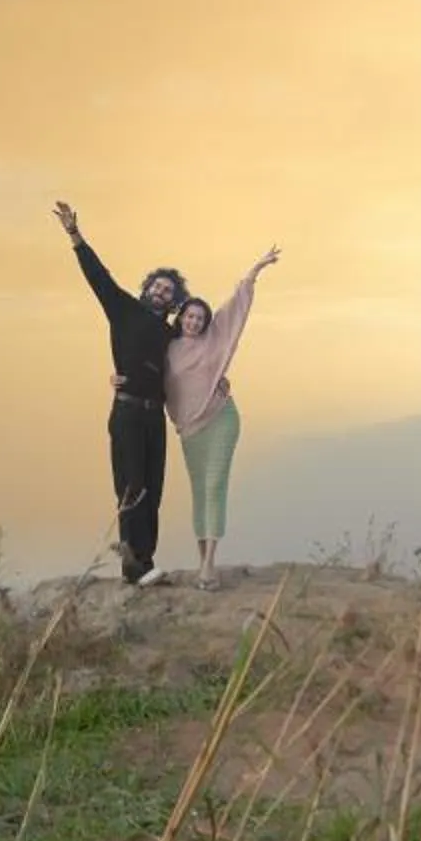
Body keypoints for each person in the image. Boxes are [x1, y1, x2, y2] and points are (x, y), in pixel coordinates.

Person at [53, 200, 182, 585]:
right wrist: (75, 235)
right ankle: (131, 565)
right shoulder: (124, 310)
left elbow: (199, 359)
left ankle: (146, 560)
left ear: (173, 301)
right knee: (131, 486)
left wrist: (220, 383)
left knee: (154, 488)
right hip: (126, 412)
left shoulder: (173, 334)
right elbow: (99, 277)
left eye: (168, 291)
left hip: (154, 415)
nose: (161, 292)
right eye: (157, 286)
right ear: (147, 288)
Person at [163, 246, 279, 591]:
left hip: (221, 419)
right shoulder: (166, 348)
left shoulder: (215, 340)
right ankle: (202, 562)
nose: (195, 322)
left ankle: (210, 564)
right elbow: (145, 371)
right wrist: (116, 379)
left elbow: (235, 311)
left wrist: (254, 270)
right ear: (181, 317)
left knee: (215, 485)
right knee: (200, 491)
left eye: (200, 317)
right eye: (190, 316)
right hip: (189, 428)